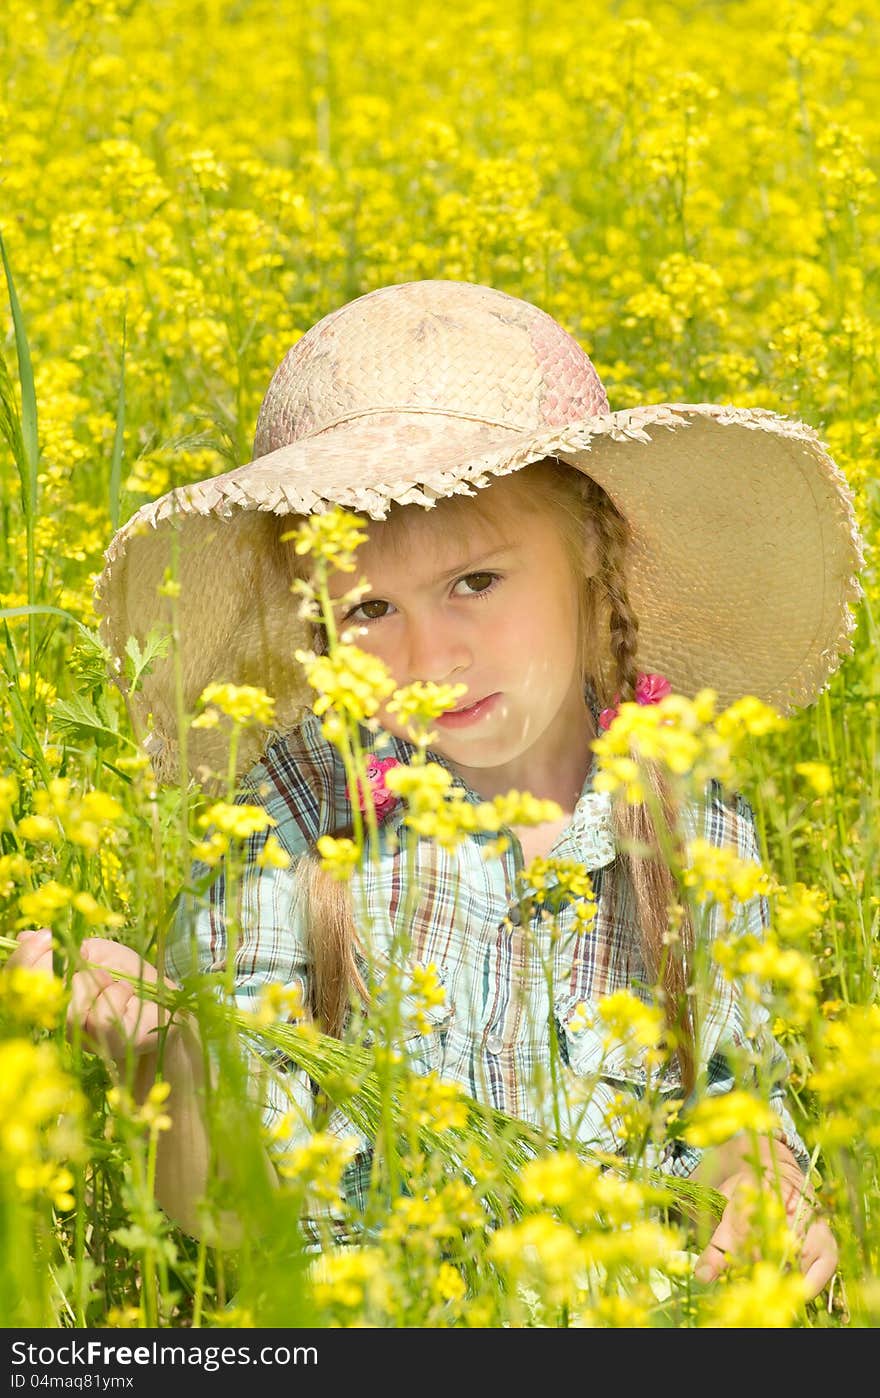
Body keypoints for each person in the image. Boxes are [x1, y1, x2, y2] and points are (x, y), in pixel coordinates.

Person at [8, 279, 864, 1299]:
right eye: (371, 606)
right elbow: (225, 1205)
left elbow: (735, 1097)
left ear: (592, 547)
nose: (429, 656)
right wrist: (170, 1068)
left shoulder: (685, 809)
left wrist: (767, 1180)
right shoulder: (294, 817)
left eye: (475, 583)